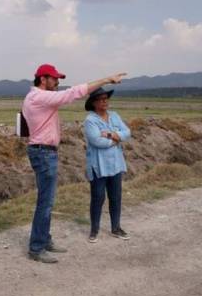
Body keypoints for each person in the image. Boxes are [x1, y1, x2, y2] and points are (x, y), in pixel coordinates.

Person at [22, 64, 126, 264]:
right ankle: (36, 247)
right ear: (42, 79)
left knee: (47, 200)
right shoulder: (39, 97)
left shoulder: (37, 98)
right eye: (54, 79)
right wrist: (106, 79)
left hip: (44, 151)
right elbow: (73, 93)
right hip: (43, 152)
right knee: (45, 202)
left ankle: (44, 241)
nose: (57, 82)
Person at [83, 88, 131, 243]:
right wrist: (117, 139)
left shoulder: (115, 116)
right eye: (101, 99)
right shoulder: (90, 120)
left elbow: (127, 133)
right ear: (94, 103)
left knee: (116, 197)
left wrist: (110, 134)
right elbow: (97, 141)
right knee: (98, 197)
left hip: (115, 164)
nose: (105, 101)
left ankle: (116, 227)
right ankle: (94, 229)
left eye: (106, 98)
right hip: (99, 166)